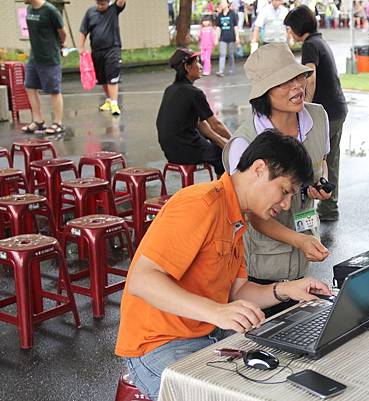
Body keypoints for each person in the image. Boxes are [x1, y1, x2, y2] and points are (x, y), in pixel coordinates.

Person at [115, 130, 332, 401]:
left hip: (205, 335)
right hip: (157, 345)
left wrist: (287, 290)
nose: (287, 204)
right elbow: (142, 280)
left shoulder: (235, 217)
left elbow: (236, 292)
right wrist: (216, 311)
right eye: (284, 191)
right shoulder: (199, 203)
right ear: (259, 169)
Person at [222, 44, 331, 316]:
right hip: (263, 268)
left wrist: (320, 185)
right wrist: (298, 241)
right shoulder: (244, 144)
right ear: (263, 94)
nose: (297, 87)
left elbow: (321, 163)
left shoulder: (317, 117)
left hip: (302, 255)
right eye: (283, 83)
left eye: (298, 77)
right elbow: (252, 214)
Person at [284, 5, 347, 221]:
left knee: (316, 160)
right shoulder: (320, 41)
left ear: (298, 27)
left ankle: (310, 212)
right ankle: (329, 209)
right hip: (338, 108)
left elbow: (310, 77)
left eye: (290, 28)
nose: (289, 33)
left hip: (328, 112)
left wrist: (303, 108)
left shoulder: (310, 45)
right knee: (330, 160)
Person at [156, 48, 232, 177]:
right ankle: (222, 191)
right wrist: (234, 142)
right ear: (187, 67)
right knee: (223, 156)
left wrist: (224, 142)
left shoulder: (170, 90)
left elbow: (202, 125)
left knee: (218, 145)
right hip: (186, 149)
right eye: (197, 62)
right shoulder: (194, 93)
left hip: (170, 150)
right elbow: (215, 125)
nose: (201, 66)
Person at [21, 0, 67, 135]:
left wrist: (59, 45)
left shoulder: (50, 10)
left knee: (54, 90)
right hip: (34, 55)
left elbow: (62, 33)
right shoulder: (29, 9)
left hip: (49, 57)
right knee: (30, 86)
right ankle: (38, 120)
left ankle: (58, 123)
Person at [79, 0, 126, 116]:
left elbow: (121, 2)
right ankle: (109, 100)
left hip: (112, 48)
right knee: (103, 78)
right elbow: (83, 31)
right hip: (96, 51)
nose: (101, 6)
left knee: (112, 76)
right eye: (99, 4)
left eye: (103, 4)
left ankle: (114, 103)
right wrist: (80, 47)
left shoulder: (114, 9)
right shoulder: (90, 12)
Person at [216, 0, 240, 77]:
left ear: (227, 4)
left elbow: (235, 26)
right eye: (221, 3)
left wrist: (237, 37)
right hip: (223, 37)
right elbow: (218, 28)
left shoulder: (232, 14)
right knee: (222, 54)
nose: (222, 4)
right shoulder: (219, 15)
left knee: (231, 54)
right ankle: (221, 70)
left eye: (223, 2)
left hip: (231, 37)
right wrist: (216, 38)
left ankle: (231, 69)